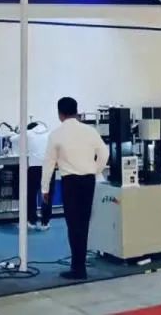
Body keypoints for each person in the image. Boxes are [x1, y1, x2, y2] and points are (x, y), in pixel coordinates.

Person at [41, 97, 108, 280]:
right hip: (88, 181)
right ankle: (80, 266)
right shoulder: (90, 131)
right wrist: (96, 170)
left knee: (73, 225)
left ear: (60, 114)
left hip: (70, 182)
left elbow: (48, 163)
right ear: (77, 111)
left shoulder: (56, 135)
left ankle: (77, 268)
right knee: (84, 224)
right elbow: (104, 152)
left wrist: (45, 189)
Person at [11, 121, 52, 231]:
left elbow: (12, 139)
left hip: (35, 168)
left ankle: (32, 221)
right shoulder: (49, 133)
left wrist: (18, 132)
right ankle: (45, 223)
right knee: (47, 195)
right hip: (49, 167)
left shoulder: (28, 133)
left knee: (31, 195)